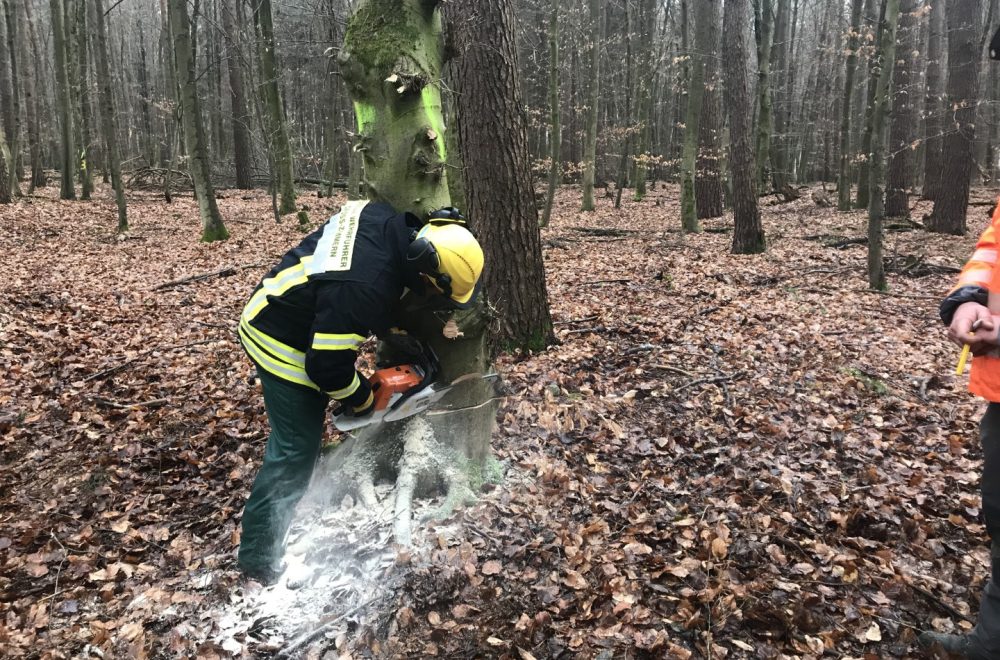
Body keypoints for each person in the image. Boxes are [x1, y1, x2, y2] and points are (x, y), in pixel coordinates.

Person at [235, 200, 484, 584]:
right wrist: (364, 399)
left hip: (295, 302)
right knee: (296, 449)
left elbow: (358, 277)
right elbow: (325, 367)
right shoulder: (364, 289)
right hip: (278, 336)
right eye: (434, 290)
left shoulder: (387, 221)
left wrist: (389, 327)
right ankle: (258, 560)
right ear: (424, 265)